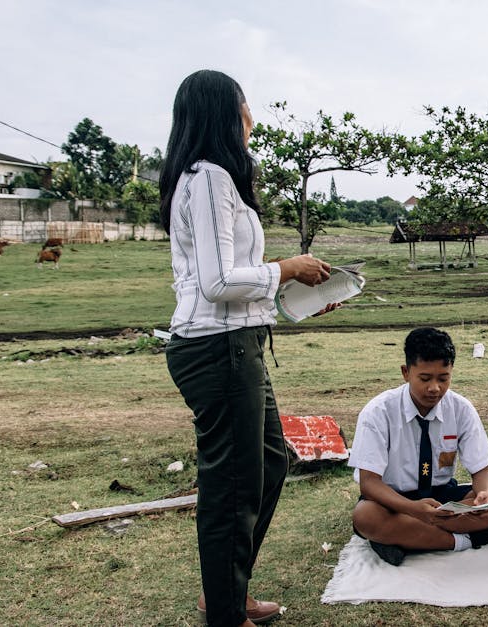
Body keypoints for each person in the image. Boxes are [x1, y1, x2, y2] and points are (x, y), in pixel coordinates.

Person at [161, 69, 333, 627]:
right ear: (223, 114)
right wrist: (286, 266)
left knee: (268, 466)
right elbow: (216, 284)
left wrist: (296, 290)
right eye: (244, 107)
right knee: (233, 488)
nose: (252, 119)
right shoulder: (207, 176)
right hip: (217, 350)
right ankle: (225, 614)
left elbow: (230, 281)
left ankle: (226, 595)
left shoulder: (210, 179)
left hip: (236, 342)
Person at [348, 327, 488, 566]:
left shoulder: (461, 409)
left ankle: (403, 538)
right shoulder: (378, 412)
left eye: (443, 378)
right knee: (366, 517)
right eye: (425, 378)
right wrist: (412, 509)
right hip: (395, 501)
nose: (435, 388)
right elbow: (369, 484)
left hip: (442, 498)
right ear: (406, 372)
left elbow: (481, 471)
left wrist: (485, 495)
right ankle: (465, 540)